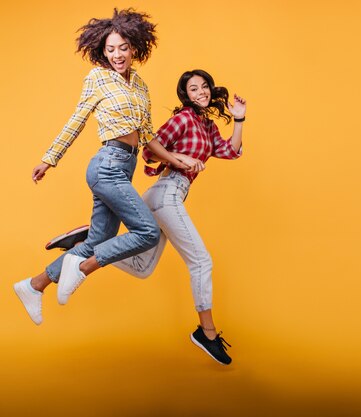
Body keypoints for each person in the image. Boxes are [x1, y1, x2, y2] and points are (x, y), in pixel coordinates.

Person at [47, 69, 246, 365]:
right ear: (186, 96)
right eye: (194, 89)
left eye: (204, 86)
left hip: (166, 197)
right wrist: (181, 159)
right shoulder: (183, 119)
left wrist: (240, 119)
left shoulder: (207, 128)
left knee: (142, 266)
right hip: (167, 192)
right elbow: (150, 151)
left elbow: (231, 151)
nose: (201, 92)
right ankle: (208, 333)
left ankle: (86, 240)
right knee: (202, 261)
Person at [13, 8, 190, 326]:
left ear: (133, 47)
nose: (117, 54)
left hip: (125, 167)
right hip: (107, 164)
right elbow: (77, 120)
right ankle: (81, 268)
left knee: (97, 240)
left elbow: (148, 137)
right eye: (110, 49)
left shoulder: (140, 85)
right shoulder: (98, 78)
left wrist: (178, 160)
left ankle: (33, 285)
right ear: (102, 51)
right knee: (147, 232)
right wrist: (49, 159)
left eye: (122, 47)